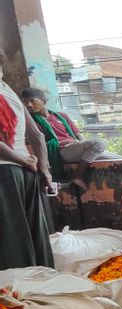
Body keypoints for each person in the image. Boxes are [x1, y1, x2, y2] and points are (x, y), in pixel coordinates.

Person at [0, 60, 55, 270]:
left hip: (6, 170)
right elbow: (37, 136)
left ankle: (20, 289)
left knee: (12, 235)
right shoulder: (9, 91)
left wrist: (23, 160)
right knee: (35, 232)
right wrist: (44, 171)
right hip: (26, 172)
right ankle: (45, 278)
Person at [21, 87, 120, 190]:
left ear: (44, 101)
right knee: (99, 144)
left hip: (75, 147)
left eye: (33, 101)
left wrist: (82, 144)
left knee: (119, 159)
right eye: (25, 102)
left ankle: (82, 164)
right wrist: (63, 143)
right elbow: (36, 144)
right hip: (60, 151)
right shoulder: (30, 122)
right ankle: (77, 175)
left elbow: (78, 135)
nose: (29, 105)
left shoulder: (61, 116)